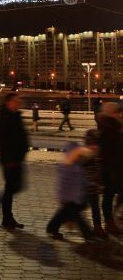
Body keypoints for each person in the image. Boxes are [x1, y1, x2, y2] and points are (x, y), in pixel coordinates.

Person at [0, 92, 29, 230]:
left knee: (15, 187)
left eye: (19, 101)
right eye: (16, 101)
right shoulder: (4, 117)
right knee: (12, 187)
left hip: (17, 158)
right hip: (10, 159)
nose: (18, 103)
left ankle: (1, 209)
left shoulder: (15, 116)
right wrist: (8, 156)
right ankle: (7, 218)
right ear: (8, 102)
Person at [45, 142, 94, 241]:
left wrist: (87, 185)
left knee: (63, 214)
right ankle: (88, 235)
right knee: (77, 217)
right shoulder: (66, 167)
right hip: (69, 197)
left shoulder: (76, 166)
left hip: (74, 197)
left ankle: (51, 228)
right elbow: (64, 184)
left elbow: (81, 180)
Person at [96, 101, 123, 235]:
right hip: (111, 170)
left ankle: (112, 220)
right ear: (111, 114)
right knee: (109, 196)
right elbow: (108, 153)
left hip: (115, 169)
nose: (120, 114)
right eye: (117, 112)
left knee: (111, 196)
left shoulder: (114, 126)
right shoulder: (108, 129)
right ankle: (110, 222)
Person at [82, 129, 106, 237]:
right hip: (85, 186)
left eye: (96, 145)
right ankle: (55, 224)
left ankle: (97, 227)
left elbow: (98, 171)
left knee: (95, 206)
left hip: (93, 187)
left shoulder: (97, 156)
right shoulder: (85, 156)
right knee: (76, 206)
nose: (95, 148)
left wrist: (99, 183)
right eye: (92, 145)